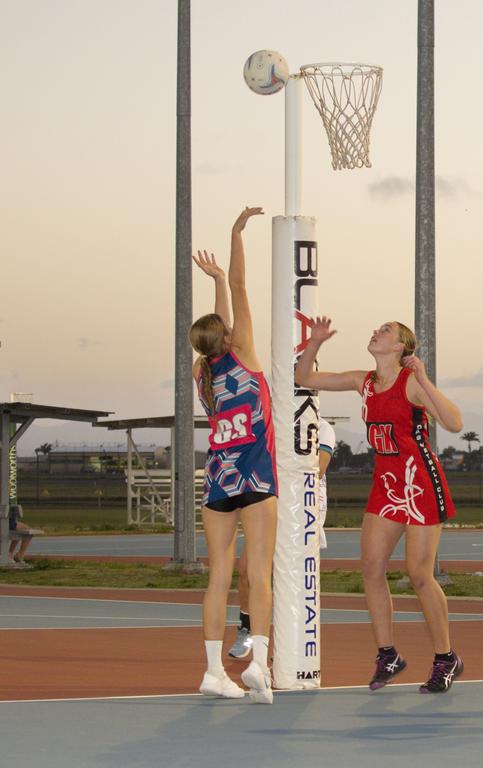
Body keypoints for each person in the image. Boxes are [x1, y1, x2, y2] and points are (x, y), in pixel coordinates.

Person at [295, 316, 465, 693]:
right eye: (377, 329)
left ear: (401, 346)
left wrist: (423, 379)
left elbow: (454, 423)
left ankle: (445, 657)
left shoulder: (411, 385)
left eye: (386, 330)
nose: (376, 332)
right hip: (387, 483)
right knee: (371, 568)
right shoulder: (365, 382)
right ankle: (388, 654)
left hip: (419, 480)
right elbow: (304, 377)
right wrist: (316, 343)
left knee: (420, 574)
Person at [189, 207, 276, 703]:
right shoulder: (244, 353)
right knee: (258, 571)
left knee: (219, 575)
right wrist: (236, 237)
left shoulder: (204, 375)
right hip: (255, 476)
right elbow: (242, 290)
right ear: (226, 337)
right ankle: (258, 665)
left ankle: (211, 671)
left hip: (218, 480)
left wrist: (216, 279)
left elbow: (221, 312)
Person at [229, 417, 335, 659]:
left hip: (303, 510)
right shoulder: (272, 425)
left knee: (292, 579)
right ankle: (247, 627)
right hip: (270, 502)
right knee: (246, 569)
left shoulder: (322, 428)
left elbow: (317, 470)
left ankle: (290, 643)